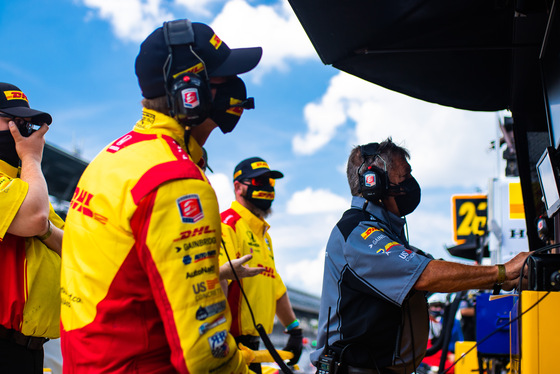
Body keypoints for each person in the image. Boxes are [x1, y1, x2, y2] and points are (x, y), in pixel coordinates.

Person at [60, 19, 263, 373]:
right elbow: (205, 353)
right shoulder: (175, 180)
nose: (235, 90)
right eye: (223, 80)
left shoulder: (111, 157)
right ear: (192, 89)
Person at [311, 138, 529, 374]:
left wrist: (503, 278)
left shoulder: (387, 236)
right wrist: (501, 271)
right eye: (404, 177)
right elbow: (424, 275)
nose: (411, 185)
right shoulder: (358, 234)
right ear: (373, 183)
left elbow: (435, 267)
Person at [0, 83, 64, 374]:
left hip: (29, 349)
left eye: (27, 123)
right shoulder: (26, 177)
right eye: (12, 121)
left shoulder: (25, 185)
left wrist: (43, 229)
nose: (24, 130)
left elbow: (72, 245)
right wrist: (31, 158)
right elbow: (36, 218)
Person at [220, 157, 303, 373]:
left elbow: (273, 283)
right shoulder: (227, 225)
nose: (267, 188)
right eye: (258, 183)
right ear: (238, 187)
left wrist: (294, 330)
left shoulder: (264, 236)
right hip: (230, 347)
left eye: (271, 183)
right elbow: (216, 284)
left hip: (254, 350)